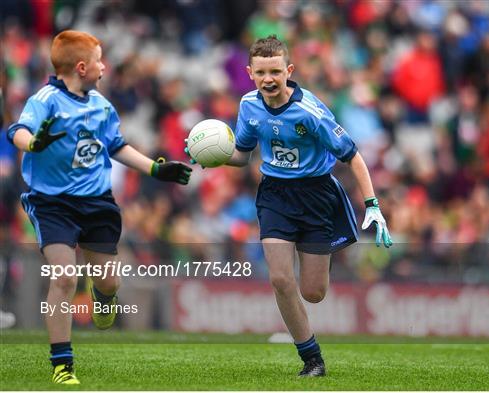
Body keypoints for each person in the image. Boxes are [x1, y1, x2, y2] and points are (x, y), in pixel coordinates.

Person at [188, 35, 392, 377]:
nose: (268, 79)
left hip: (316, 196)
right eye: (261, 72)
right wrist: (211, 154)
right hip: (275, 196)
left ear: (289, 71)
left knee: (313, 292)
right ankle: (312, 359)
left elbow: (353, 155)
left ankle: (316, 267)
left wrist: (372, 203)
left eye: (276, 71)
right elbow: (241, 154)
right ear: (250, 72)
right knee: (281, 279)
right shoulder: (248, 106)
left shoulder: (310, 111)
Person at [7, 30, 192, 385]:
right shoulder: (45, 99)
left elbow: (117, 146)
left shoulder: (101, 106)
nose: (104, 67)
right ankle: (62, 364)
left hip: (97, 203)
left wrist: (156, 167)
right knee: (64, 276)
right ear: (81, 67)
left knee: (108, 281)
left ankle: (103, 295)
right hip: (53, 203)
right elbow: (17, 131)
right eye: (99, 61)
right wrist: (33, 143)